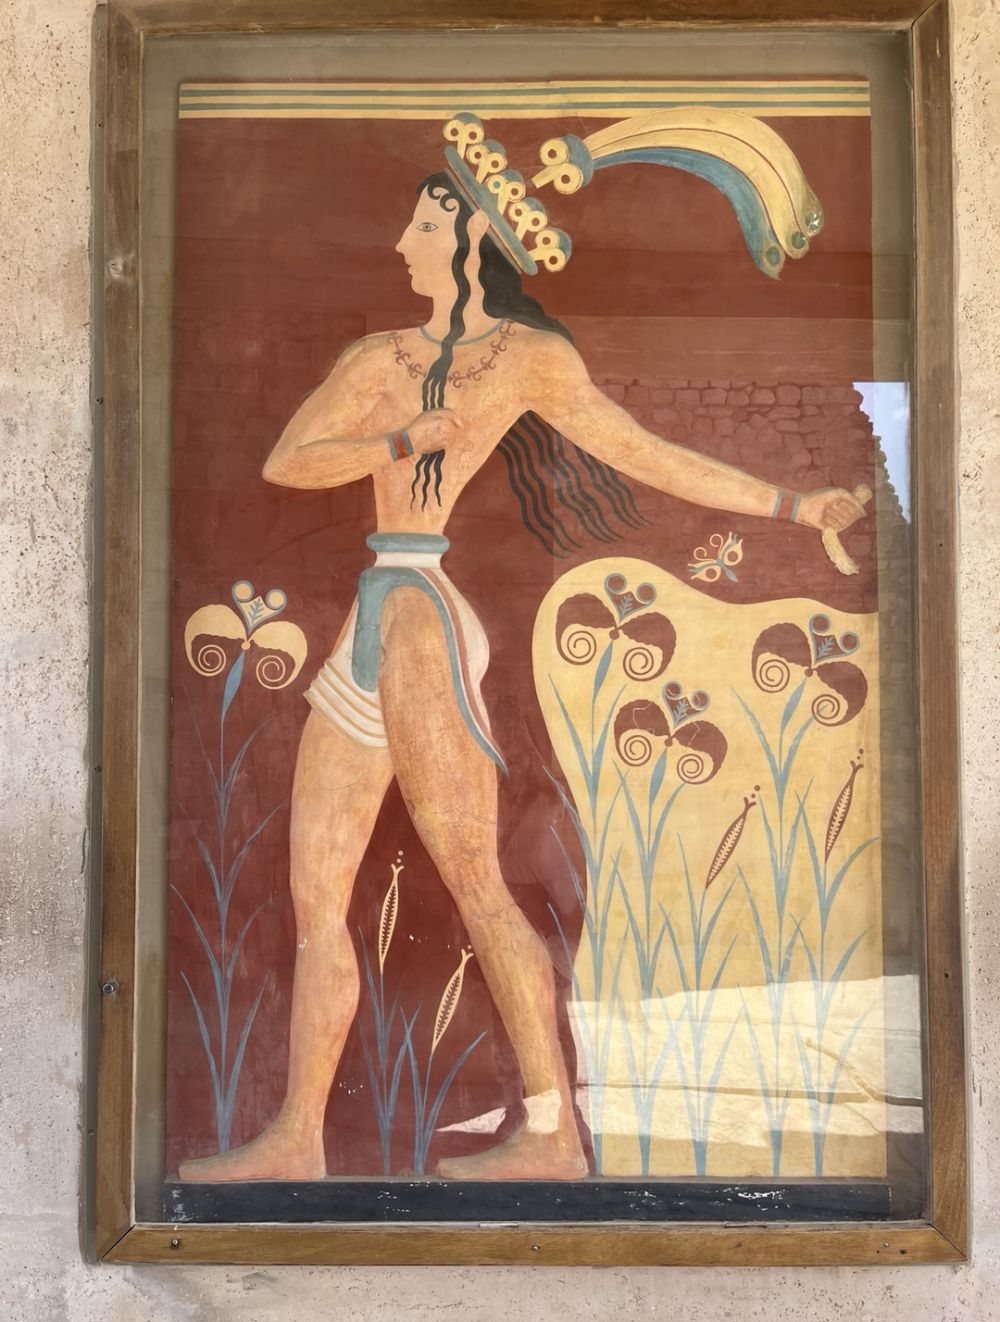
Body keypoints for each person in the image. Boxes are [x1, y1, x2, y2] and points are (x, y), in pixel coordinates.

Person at [178, 168, 865, 1184]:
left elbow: (642, 452)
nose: (402, 243)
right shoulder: (378, 358)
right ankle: (299, 1137)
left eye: (421, 224)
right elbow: (291, 459)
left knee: (474, 879)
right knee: (316, 892)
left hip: (421, 617)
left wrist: (793, 506)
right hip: (374, 611)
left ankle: (552, 1129)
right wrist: (398, 436)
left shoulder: (528, 360)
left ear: (470, 239)